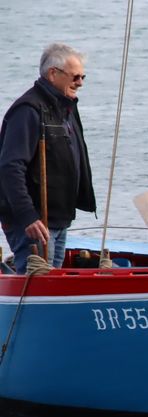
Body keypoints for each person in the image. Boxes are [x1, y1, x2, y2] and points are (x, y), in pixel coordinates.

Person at [0, 43, 96, 273]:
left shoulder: (65, 108)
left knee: (52, 280)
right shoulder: (29, 110)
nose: (80, 83)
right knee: (38, 280)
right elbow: (10, 167)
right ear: (53, 73)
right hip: (35, 221)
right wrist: (28, 216)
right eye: (75, 77)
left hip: (58, 219)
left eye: (82, 77)